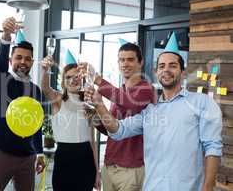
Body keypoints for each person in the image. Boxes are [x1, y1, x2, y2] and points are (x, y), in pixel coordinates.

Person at [85, 32, 222, 191]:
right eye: (162, 66)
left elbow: (213, 146)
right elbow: (118, 130)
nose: (166, 70)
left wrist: (208, 186)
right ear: (156, 73)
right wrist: (98, 108)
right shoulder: (150, 111)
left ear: (183, 72)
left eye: (173, 65)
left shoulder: (201, 102)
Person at [80, 42, 155, 191]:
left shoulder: (146, 89)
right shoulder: (118, 93)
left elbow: (130, 102)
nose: (125, 64)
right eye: (121, 60)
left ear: (141, 63)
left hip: (131, 169)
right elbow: (112, 130)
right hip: (109, 166)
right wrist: (93, 116)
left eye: (130, 59)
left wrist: (97, 79)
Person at [0, 17, 45, 191]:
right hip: (0, 153)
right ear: (11, 61)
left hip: (27, 157)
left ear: (32, 62)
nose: (23, 62)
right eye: (18, 57)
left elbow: (37, 124)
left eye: (27, 59)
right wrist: (5, 36)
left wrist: (39, 152)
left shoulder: (35, 90)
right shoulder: (2, 80)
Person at [41, 58, 100, 191]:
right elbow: (45, 88)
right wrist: (45, 71)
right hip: (64, 156)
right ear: (63, 81)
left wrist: (97, 172)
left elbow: (92, 141)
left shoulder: (89, 105)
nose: (73, 80)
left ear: (82, 79)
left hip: (86, 158)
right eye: (68, 77)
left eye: (77, 76)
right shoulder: (58, 100)